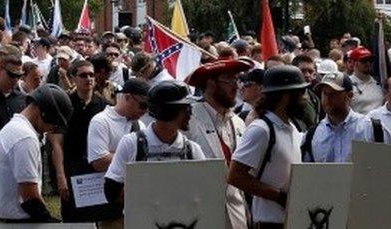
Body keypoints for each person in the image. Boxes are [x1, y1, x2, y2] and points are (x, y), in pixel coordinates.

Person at [228, 65, 309, 229]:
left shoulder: (292, 127)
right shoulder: (261, 130)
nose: (305, 98)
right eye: (301, 93)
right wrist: (279, 197)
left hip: (293, 220)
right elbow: (235, 176)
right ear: (286, 96)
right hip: (269, 223)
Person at [103, 81, 205, 206]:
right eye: (185, 107)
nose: (190, 112)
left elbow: (202, 194)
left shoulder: (192, 150)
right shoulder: (132, 144)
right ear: (167, 111)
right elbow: (112, 193)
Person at [183, 59, 253, 229]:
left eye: (237, 80)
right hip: (200, 216)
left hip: (237, 215)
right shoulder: (187, 120)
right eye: (228, 80)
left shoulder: (238, 122)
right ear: (210, 84)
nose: (236, 86)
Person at [0, 84, 73, 223]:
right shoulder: (25, 137)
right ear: (43, 113)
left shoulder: (14, 127)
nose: (52, 129)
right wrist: (48, 222)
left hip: (8, 220)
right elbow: (29, 196)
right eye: (54, 124)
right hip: (18, 223)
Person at [85, 77, 150, 229]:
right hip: (110, 202)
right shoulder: (101, 121)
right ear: (127, 97)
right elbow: (99, 162)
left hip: (137, 200)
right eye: (143, 105)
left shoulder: (139, 125)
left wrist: (114, 156)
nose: (145, 111)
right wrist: (133, 157)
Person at [56, 59, 108, 223]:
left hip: (98, 170)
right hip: (72, 169)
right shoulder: (64, 105)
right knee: (74, 218)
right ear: (73, 78)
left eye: (92, 75)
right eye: (83, 75)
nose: (89, 79)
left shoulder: (105, 106)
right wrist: (60, 176)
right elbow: (57, 143)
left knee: (100, 217)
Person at [301, 72, 388, 162]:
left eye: (333, 94)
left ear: (349, 96)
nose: (327, 100)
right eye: (325, 94)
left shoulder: (371, 129)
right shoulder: (312, 135)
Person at [348, 47, 384, 114]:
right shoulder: (347, 83)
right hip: (359, 123)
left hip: (381, 123)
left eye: (370, 60)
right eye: (364, 60)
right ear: (354, 63)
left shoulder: (379, 82)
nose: (368, 63)